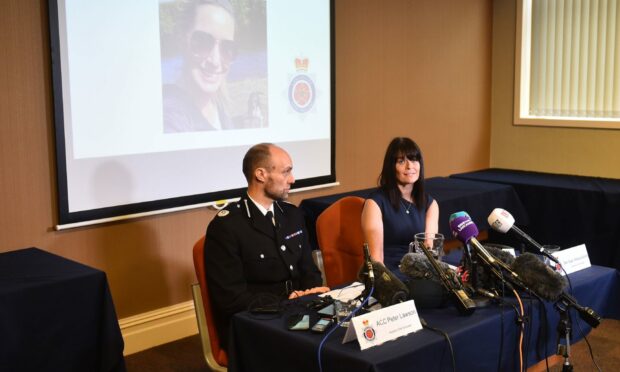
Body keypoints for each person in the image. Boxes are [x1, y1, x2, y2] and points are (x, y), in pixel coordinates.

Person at [204, 143, 329, 348]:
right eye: (286, 171)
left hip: (298, 312)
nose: (293, 179)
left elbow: (309, 271)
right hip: (256, 323)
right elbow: (231, 300)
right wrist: (288, 302)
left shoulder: (292, 215)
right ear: (261, 175)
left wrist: (312, 297)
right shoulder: (227, 226)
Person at [361, 137, 439, 279]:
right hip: (389, 274)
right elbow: (376, 262)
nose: (410, 166)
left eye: (414, 159)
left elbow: (430, 249)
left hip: (419, 272)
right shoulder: (375, 203)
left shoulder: (430, 204)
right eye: (401, 161)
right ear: (391, 167)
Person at [162, 0, 237, 132]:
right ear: (182, 41)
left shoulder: (219, 108)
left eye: (227, 48)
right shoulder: (170, 115)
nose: (215, 61)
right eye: (202, 41)